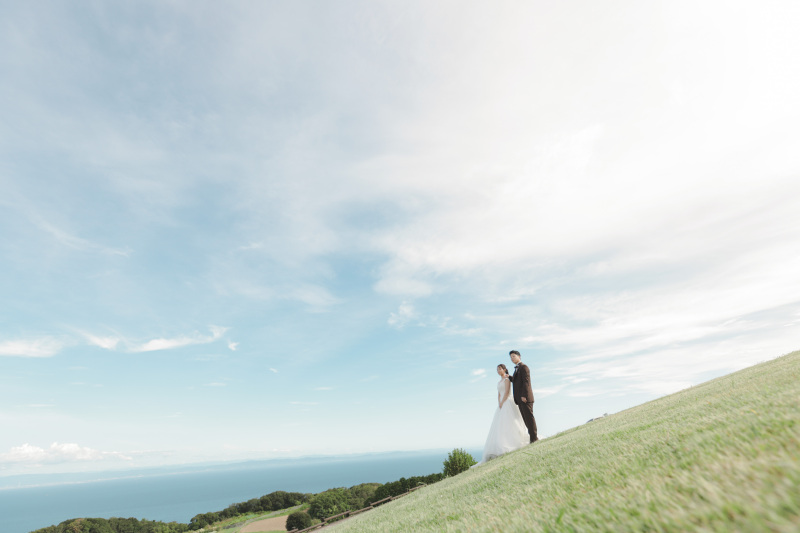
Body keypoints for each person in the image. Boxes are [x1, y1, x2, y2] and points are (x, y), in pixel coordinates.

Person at [478, 364, 530, 463]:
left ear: (504, 370)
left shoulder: (507, 380)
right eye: (497, 369)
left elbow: (506, 392)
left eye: (500, 369)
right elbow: (499, 393)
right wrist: (499, 402)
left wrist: (503, 402)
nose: (498, 371)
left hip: (507, 402)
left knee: (510, 422)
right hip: (501, 404)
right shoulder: (499, 382)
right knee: (500, 425)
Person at [509, 350, 538, 443]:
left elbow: (526, 382)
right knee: (526, 420)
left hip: (525, 398)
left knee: (529, 419)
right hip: (519, 399)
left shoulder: (524, 367)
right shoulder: (516, 369)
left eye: (513, 356)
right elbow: (515, 380)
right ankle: (532, 438)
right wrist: (508, 376)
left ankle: (534, 438)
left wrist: (524, 395)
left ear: (519, 356)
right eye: (511, 357)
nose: (512, 358)